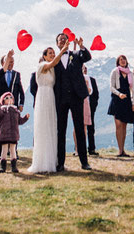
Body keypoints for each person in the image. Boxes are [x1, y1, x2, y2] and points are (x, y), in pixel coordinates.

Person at [52, 33, 92, 171]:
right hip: (61, 99)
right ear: (57, 44)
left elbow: (87, 57)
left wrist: (81, 46)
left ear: (68, 42)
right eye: (60, 39)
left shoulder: (75, 55)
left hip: (76, 97)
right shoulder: (55, 59)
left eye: (65, 39)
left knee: (80, 129)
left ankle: (84, 162)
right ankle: (60, 163)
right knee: (60, 131)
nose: (62, 41)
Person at [28, 44, 65, 173]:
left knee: (51, 126)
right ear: (44, 56)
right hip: (43, 96)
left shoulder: (53, 69)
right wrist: (62, 51)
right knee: (43, 127)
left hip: (51, 97)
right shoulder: (42, 66)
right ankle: (42, 162)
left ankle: (51, 161)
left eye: (53, 53)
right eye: (50, 53)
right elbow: (53, 63)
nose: (52, 55)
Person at [0, 50, 24, 156]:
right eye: (9, 61)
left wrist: (21, 104)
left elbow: (20, 90)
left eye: (12, 61)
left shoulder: (17, 74)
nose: (11, 63)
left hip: (13, 105)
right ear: (3, 63)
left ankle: (14, 150)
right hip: (1, 105)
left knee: (14, 127)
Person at [108, 55, 134, 156]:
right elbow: (111, 87)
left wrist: (133, 103)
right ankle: (120, 150)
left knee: (124, 126)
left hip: (126, 100)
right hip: (117, 99)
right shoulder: (115, 71)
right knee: (118, 125)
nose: (123, 61)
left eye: (124, 59)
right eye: (121, 59)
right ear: (118, 62)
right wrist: (119, 94)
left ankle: (122, 149)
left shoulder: (130, 73)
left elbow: (132, 89)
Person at [0, 91, 29, 173]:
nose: (9, 99)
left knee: (13, 149)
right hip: (4, 133)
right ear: (3, 101)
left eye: (11, 98)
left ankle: (14, 166)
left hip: (13, 133)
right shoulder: (2, 109)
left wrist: (25, 118)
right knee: (4, 149)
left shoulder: (15, 110)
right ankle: (3, 166)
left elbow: (19, 121)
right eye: (7, 98)